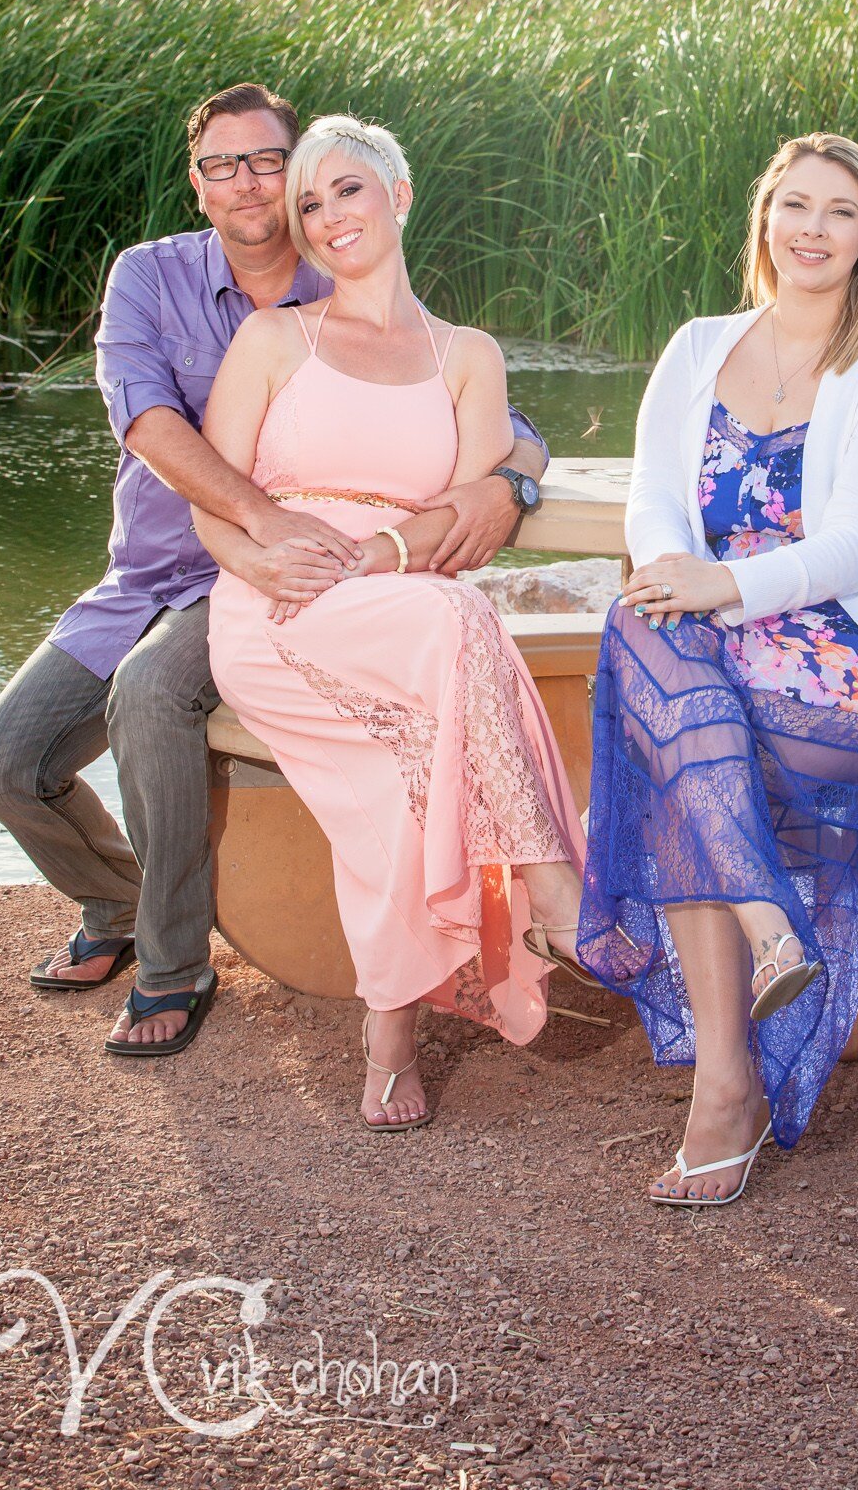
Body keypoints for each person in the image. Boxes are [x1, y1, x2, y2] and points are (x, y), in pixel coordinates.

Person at [0, 83, 549, 1059]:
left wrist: (512, 483)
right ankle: (117, 900)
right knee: (3, 765)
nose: (245, 181)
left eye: (267, 161)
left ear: (297, 171)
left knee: (152, 693)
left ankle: (173, 962)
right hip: (151, 572)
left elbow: (490, 414)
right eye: (220, 164)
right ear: (196, 184)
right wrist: (263, 513)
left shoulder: (344, 272)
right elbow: (147, 420)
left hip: (269, 586)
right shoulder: (149, 276)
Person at [578, 133, 858, 1205]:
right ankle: (746, 1010)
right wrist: (674, 572)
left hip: (848, 644)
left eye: (840, 212)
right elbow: (653, 494)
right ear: (765, 220)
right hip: (715, 636)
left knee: (677, 741)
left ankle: (727, 1087)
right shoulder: (699, 344)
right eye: (795, 204)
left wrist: (718, 587)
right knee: (641, 627)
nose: (812, 228)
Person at [195, 114, 586, 1129]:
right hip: (280, 604)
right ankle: (554, 887)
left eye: (348, 189)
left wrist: (397, 545)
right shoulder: (274, 339)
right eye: (309, 203)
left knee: (416, 757)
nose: (328, 215)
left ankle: (390, 1039)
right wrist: (262, 561)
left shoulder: (468, 356)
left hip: (405, 602)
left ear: (399, 196)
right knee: (456, 619)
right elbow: (212, 502)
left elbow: (471, 521)